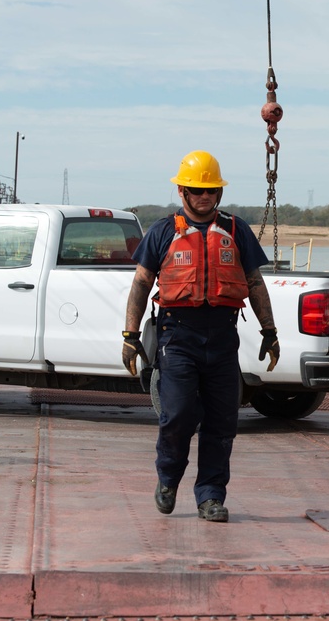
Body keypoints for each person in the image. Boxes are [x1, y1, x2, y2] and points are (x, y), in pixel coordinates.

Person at [123, 150, 280, 523]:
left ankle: (210, 496)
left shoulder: (237, 230)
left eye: (211, 190)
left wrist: (270, 331)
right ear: (183, 191)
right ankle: (168, 479)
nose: (205, 197)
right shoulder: (162, 231)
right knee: (177, 415)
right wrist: (130, 335)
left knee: (222, 422)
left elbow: (255, 283)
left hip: (223, 337)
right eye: (197, 190)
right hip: (177, 336)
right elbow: (141, 283)